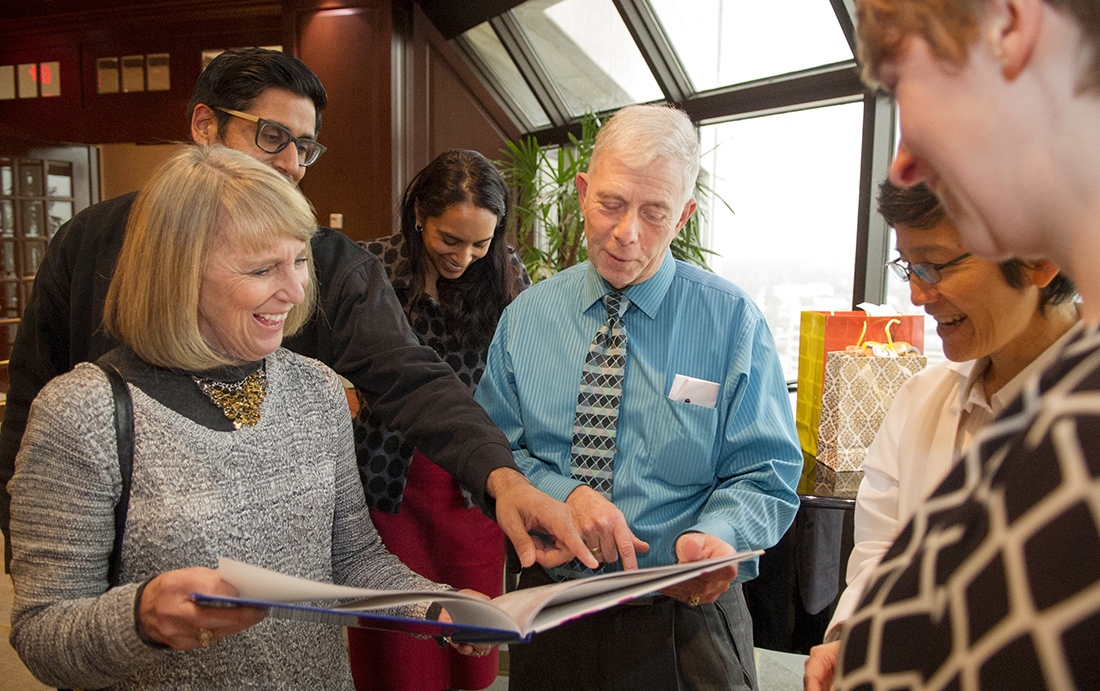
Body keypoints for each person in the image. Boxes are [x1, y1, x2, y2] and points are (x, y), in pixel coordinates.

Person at [0, 48, 593, 575]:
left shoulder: (333, 267)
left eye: (304, 146)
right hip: (119, 558)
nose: (291, 163)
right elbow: (34, 396)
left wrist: (502, 476)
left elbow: (410, 376)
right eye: (272, 137)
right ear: (205, 124)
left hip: (276, 572)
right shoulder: (90, 243)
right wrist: (29, 537)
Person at [7, 145, 492, 690]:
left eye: (300, 259)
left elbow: (352, 557)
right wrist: (140, 618)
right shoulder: (83, 413)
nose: (295, 291)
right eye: (263, 268)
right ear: (178, 272)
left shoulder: (315, 389)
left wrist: (436, 606)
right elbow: (42, 632)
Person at [474, 104, 802, 691]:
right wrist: (562, 495)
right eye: (611, 204)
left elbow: (767, 473)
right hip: (556, 611)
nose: (627, 233)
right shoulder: (527, 318)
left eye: (655, 212)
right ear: (581, 193)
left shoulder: (731, 324)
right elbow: (495, 452)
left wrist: (720, 535)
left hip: (685, 620)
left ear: (684, 217)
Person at [826, 0, 1100, 687]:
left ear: (1009, 29)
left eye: (901, 83)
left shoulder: (1070, 433)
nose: (907, 161)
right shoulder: (1050, 412)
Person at [802, 180, 1079, 690]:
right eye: (908, 266)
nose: (917, 294)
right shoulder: (920, 399)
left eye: (937, 264)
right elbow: (883, 552)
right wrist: (855, 639)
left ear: (1040, 257)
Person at [347, 149, 530, 691]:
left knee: (470, 639)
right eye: (451, 240)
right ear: (421, 214)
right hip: (390, 476)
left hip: (471, 479)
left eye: (481, 243)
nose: (465, 257)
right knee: (399, 640)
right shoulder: (371, 265)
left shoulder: (504, 272)